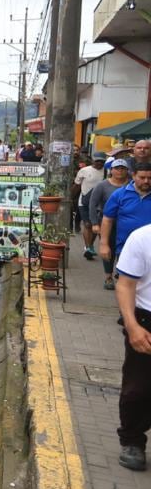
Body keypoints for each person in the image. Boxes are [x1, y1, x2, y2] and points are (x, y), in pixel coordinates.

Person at [114, 224, 151, 472]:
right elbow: (125, 285)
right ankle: (132, 441)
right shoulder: (142, 238)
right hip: (146, 321)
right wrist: (132, 325)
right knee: (138, 389)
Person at [101, 163, 151, 282]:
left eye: (150, 178)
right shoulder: (120, 194)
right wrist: (104, 244)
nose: (146, 181)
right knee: (128, 283)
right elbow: (107, 219)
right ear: (133, 176)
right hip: (126, 248)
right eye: (142, 177)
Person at [93, 159, 132, 290]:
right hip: (106, 222)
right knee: (108, 249)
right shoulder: (102, 185)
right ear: (111, 170)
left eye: (122, 168)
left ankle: (121, 274)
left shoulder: (132, 186)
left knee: (125, 251)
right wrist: (94, 223)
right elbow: (93, 204)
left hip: (126, 224)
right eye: (117, 168)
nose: (119, 171)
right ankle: (108, 276)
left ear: (127, 171)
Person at [75, 154, 106, 259]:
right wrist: (70, 197)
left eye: (102, 161)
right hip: (84, 202)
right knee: (88, 224)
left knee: (95, 226)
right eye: (97, 161)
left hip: (99, 203)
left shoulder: (107, 172)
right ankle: (88, 248)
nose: (99, 163)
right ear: (93, 160)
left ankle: (91, 245)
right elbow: (77, 185)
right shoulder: (84, 171)